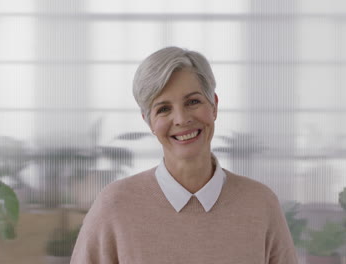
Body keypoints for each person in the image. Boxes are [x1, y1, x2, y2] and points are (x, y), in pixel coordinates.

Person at [71, 47, 298, 264]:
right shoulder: (114, 206)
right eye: (163, 109)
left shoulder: (260, 203)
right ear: (148, 121)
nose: (181, 119)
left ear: (214, 106)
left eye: (193, 102)